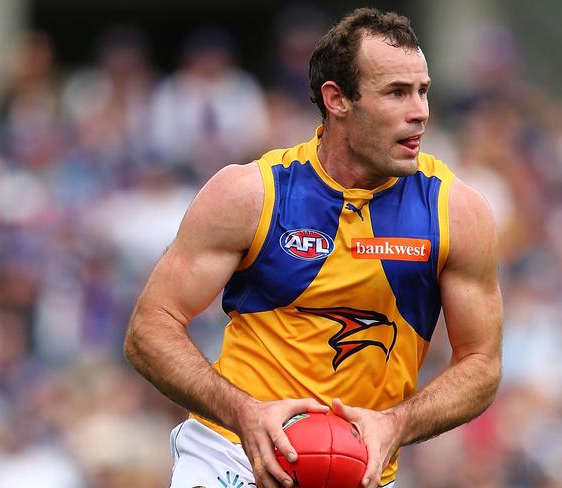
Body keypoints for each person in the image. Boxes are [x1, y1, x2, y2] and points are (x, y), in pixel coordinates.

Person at [124, 7, 503, 488]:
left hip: (361, 472)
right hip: (232, 456)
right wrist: (244, 412)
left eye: (423, 91)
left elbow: (482, 365)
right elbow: (149, 330)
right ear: (337, 99)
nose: (420, 111)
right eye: (396, 93)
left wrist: (396, 424)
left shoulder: (457, 213)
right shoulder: (252, 195)